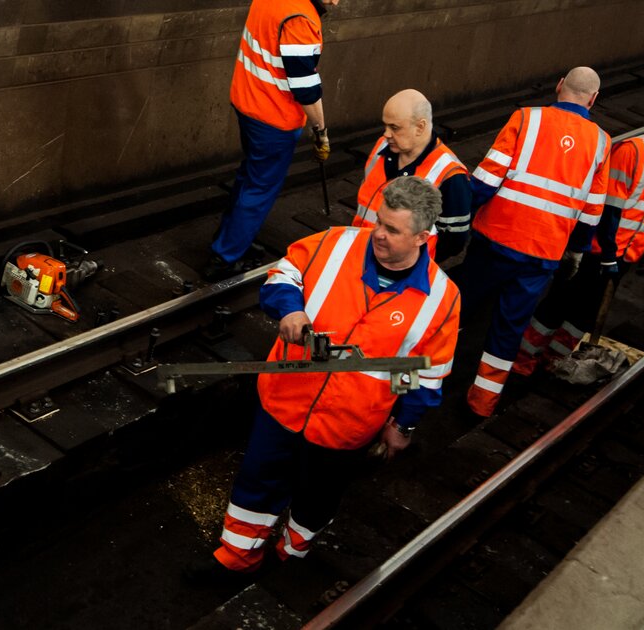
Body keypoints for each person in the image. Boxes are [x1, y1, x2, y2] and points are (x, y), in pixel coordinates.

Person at [191, 176, 460, 581]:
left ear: (422, 236)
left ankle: (291, 554)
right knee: (258, 482)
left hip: (347, 425)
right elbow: (284, 275)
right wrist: (288, 309)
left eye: (392, 230)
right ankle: (236, 556)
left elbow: (421, 375)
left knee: (317, 499)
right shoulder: (335, 244)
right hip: (284, 401)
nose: (378, 235)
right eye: (378, 222)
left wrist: (401, 425)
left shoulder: (442, 300)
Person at [453, 67, 611, 418]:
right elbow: (591, 213)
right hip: (542, 255)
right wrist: (575, 252)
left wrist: (459, 220)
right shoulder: (602, 142)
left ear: (558, 87)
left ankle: (419, 381)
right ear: (594, 99)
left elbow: (485, 179)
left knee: (455, 309)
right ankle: (482, 404)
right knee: (508, 330)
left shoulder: (526, 119)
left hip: (495, 241)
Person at [514, 106, 644, 373]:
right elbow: (607, 209)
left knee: (585, 314)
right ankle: (523, 361)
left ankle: (554, 361)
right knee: (561, 301)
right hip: (597, 251)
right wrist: (608, 254)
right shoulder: (633, 151)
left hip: (627, 254)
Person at [204, 0, 340, 281]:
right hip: (273, 119)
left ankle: (230, 237)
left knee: (249, 176)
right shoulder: (300, 20)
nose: (337, 2)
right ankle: (225, 257)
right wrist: (321, 130)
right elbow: (306, 90)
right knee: (259, 188)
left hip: (247, 101)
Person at [352, 89, 472, 261]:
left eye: (394, 127)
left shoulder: (450, 175)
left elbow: (454, 241)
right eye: (385, 125)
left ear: (420, 127)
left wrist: (412, 264)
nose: (386, 134)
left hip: (398, 269)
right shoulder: (382, 146)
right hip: (359, 251)